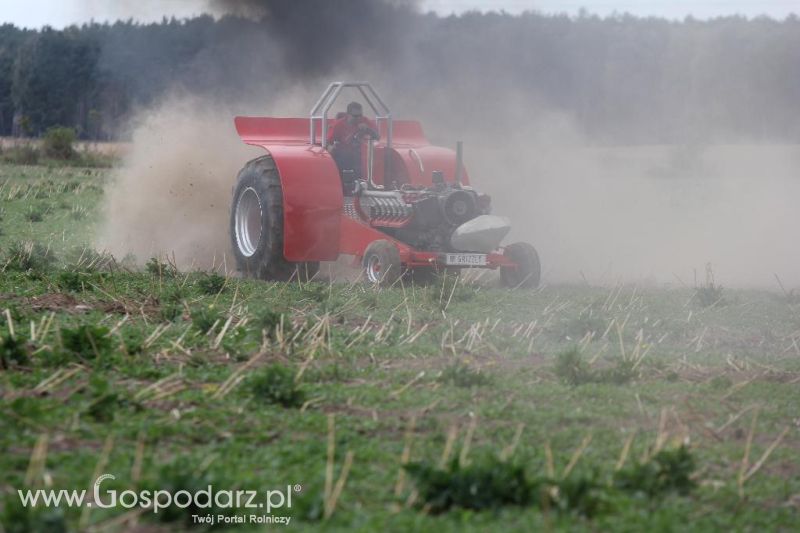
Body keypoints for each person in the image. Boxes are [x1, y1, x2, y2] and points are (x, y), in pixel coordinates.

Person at [327, 102, 379, 190]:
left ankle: (362, 186)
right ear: (348, 115)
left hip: (359, 153)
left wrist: (368, 129)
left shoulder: (365, 121)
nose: (358, 118)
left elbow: (377, 136)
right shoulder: (339, 125)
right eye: (355, 116)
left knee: (362, 160)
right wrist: (331, 150)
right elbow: (329, 142)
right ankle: (341, 187)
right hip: (342, 153)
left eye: (360, 115)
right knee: (341, 158)